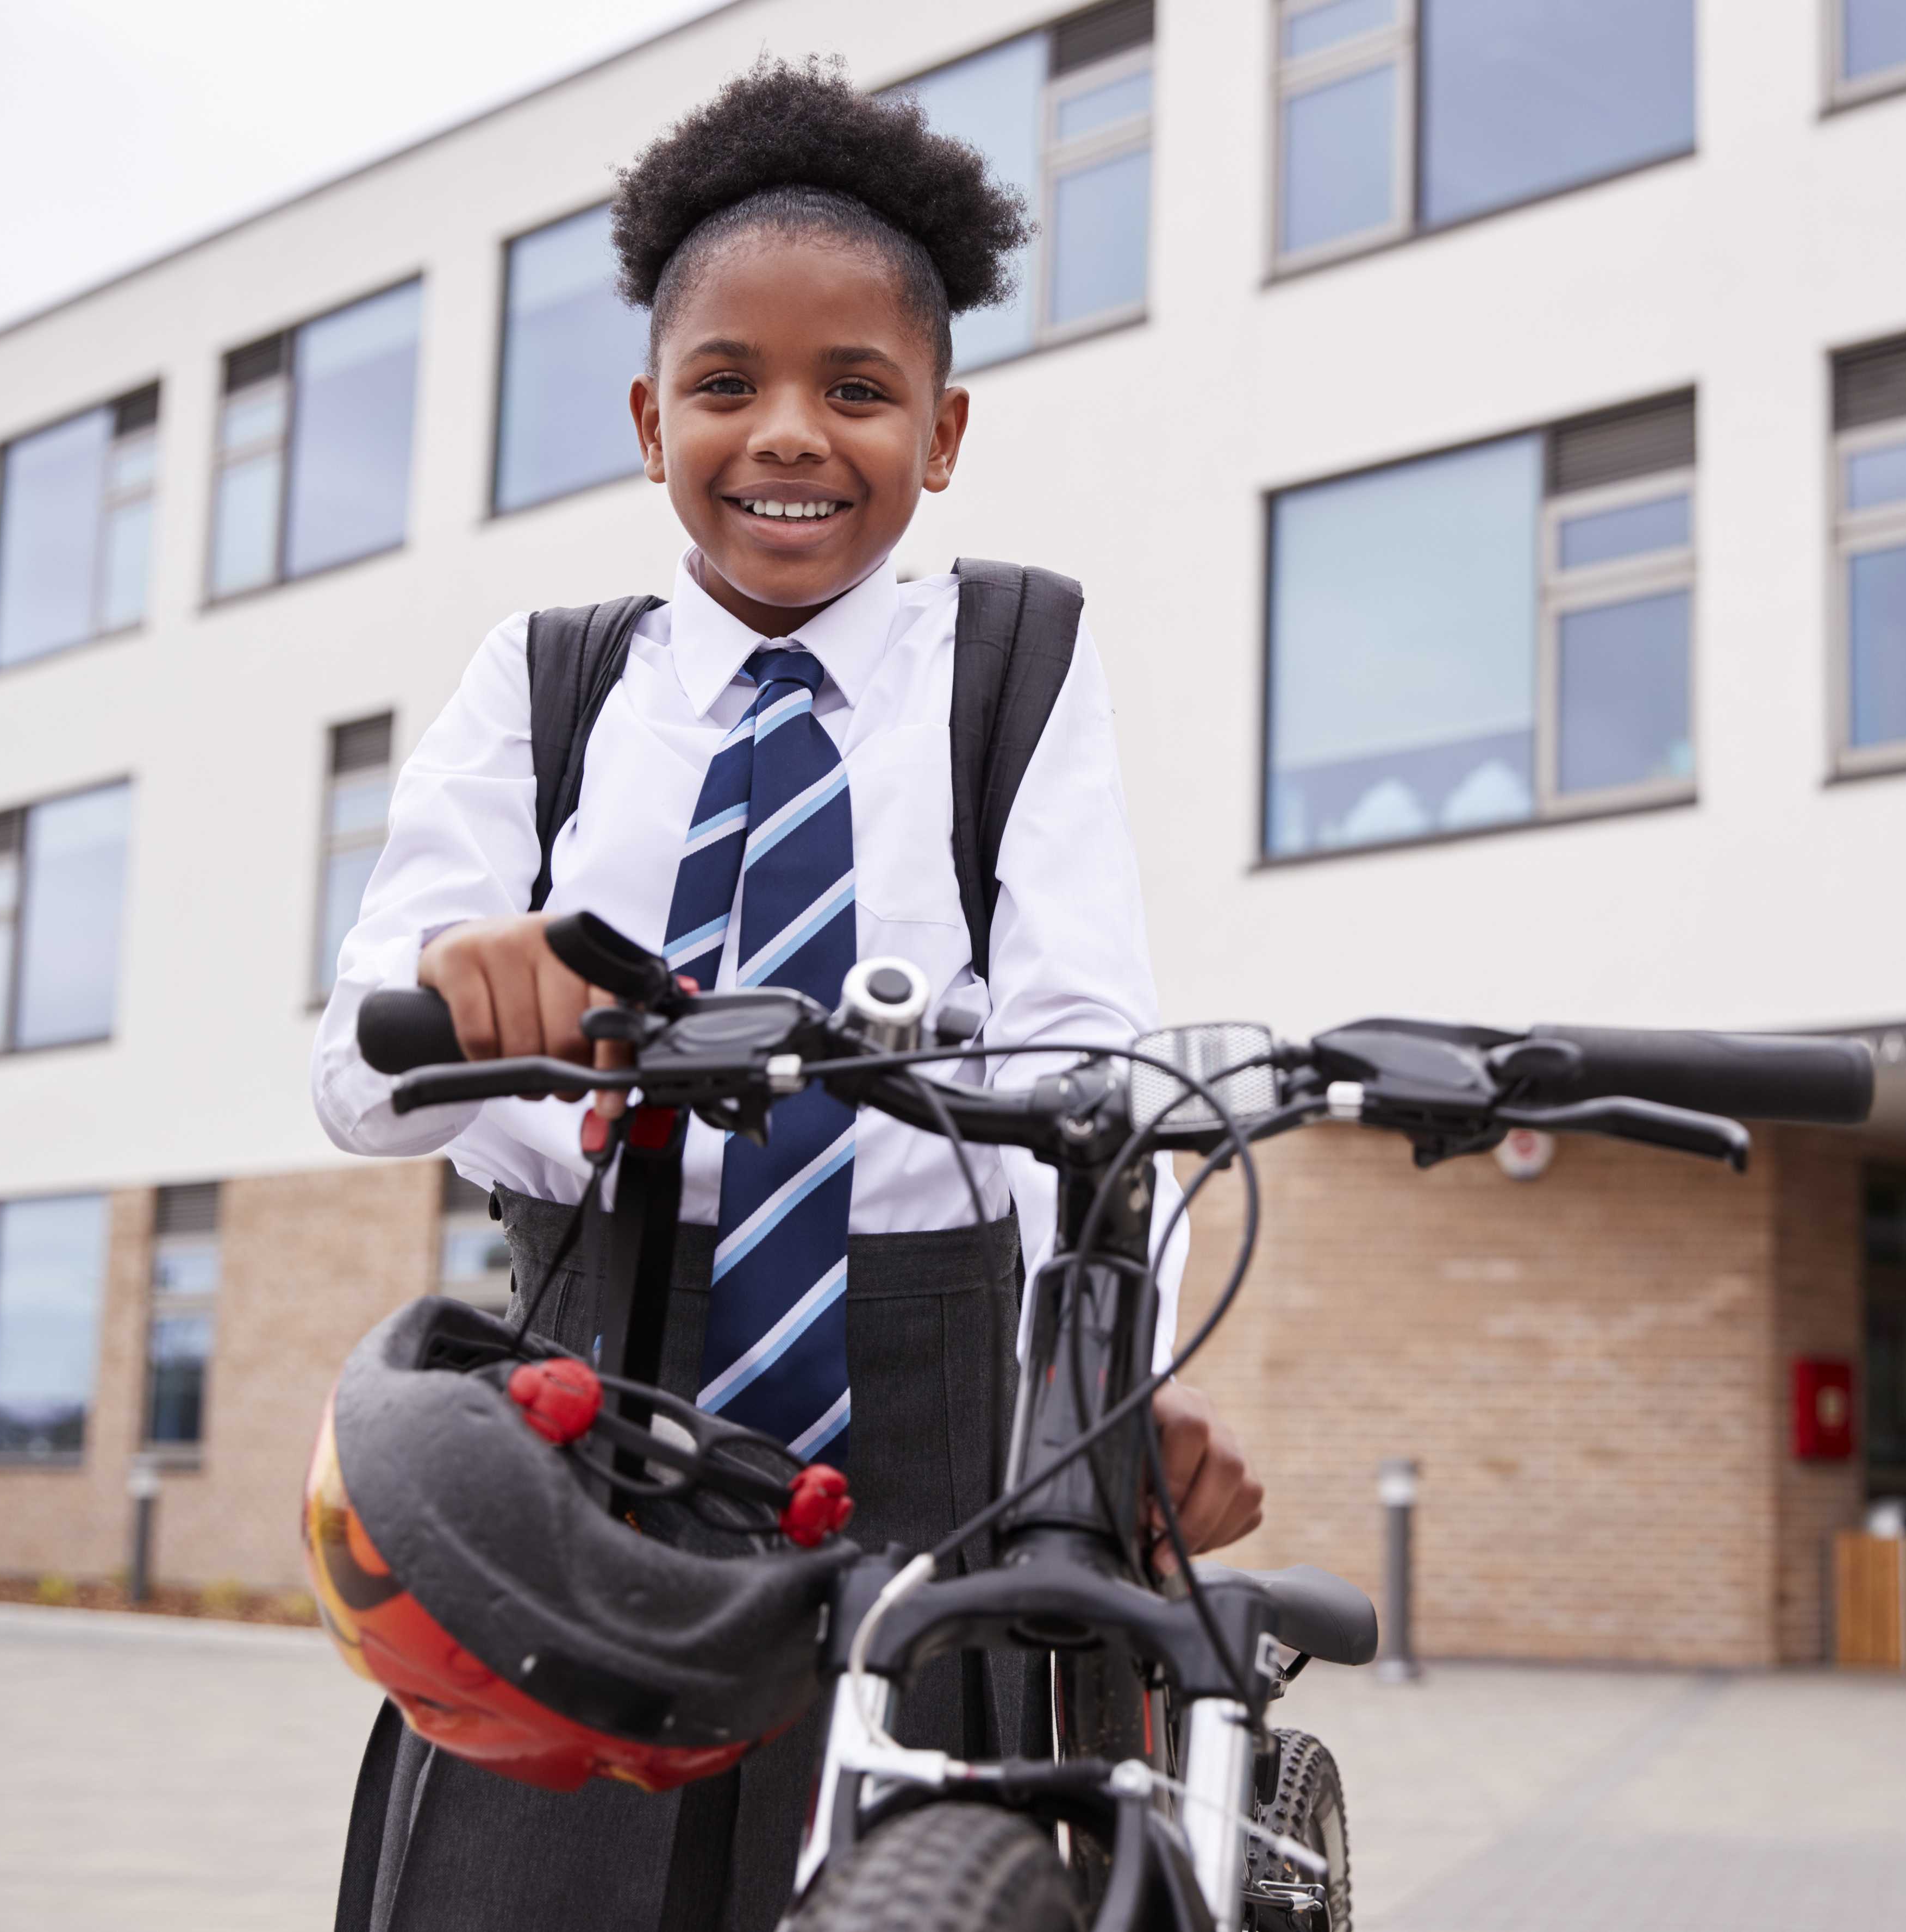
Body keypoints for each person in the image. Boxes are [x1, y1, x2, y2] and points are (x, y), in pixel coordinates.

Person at [308, 56, 1262, 1931]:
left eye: (858, 391)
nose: (790, 438)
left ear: (946, 427)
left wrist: (1100, 1386)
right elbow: (355, 1066)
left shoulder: (1014, 659)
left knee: (931, 1872)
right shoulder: (549, 680)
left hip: (933, 1418)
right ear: (654, 413)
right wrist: (483, 1017)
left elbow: (1096, 1069)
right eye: (730, 387)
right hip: (593, 1401)